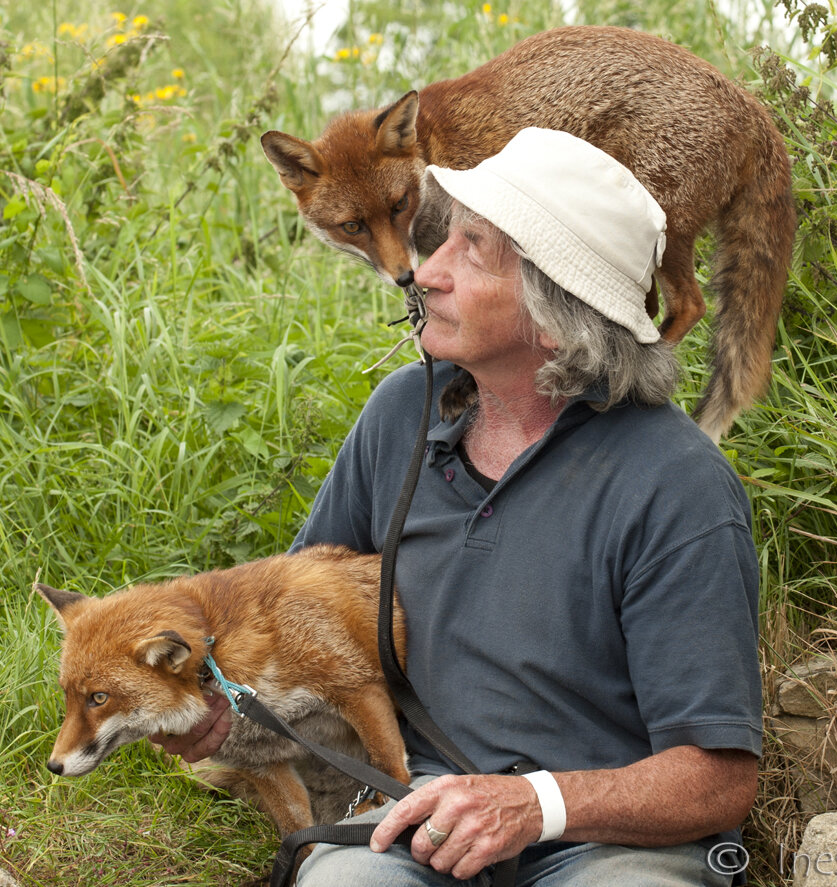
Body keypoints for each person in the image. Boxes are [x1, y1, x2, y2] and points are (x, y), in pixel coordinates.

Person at [159, 127, 762, 886]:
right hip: (423, 813)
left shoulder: (678, 483)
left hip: (616, 841)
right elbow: (288, 612)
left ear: (554, 311)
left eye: (470, 249)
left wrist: (532, 804)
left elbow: (718, 777)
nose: (424, 271)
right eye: (440, 239)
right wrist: (221, 697)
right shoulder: (400, 414)